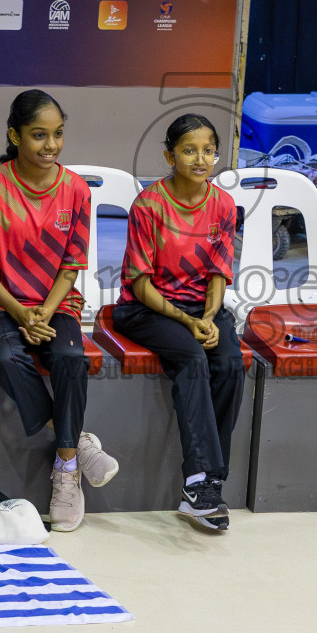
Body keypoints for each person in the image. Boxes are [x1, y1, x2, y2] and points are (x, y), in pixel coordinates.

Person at [0, 89, 119, 531]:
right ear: (14, 135)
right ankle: (78, 444)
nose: (50, 145)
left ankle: (65, 471)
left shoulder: (76, 190)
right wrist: (19, 312)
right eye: (38, 135)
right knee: (8, 357)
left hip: (54, 303)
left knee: (70, 357)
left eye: (58, 135)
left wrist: (44, 312)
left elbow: (71, 266)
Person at [111, 115, 243, 532]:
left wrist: (208, 316)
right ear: (170, 156)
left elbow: (220, 272)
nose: (200, 158)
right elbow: (141, 283)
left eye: (208, 150)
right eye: (189, 150)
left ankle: (210, 483)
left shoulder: (222, 204)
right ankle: (199, 480)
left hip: (199, 307)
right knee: (192, 357)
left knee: (229, 362)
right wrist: (189, 321)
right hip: (147, 308)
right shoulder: (149, 205)